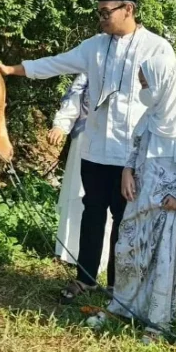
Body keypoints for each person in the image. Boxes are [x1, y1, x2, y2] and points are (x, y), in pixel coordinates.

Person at [0, 0, 175, 303]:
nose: (101, 18)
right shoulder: (94, 46)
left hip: (131, 157)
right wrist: (11, 69)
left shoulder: (156, 48)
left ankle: (120, 288)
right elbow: (55, 63)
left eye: (107, 12)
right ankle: (86, 280)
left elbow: (168, 100)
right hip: (95, 151)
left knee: (125, 222)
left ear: (128, 10)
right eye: (99, 12)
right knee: (92, 215)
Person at [105, 56, 176, 330]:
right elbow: (135, 149)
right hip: (138, 200)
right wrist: (127, 171)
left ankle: (155, 322)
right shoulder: (149, 118)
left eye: (147, 83)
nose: (143, 89)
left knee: (160, 262)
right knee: (127, 252)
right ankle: (122, 306)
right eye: (142, 83)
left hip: (168, 207)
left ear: (166, 83)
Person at [48, 74, 112, 272]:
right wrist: (61, 125)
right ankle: (67, 250)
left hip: (117, 144)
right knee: (77, 191)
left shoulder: (135, 67)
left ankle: (101, 257)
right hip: (85, 137)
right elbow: (75, 96)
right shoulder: (91, 66)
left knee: (106, 200)